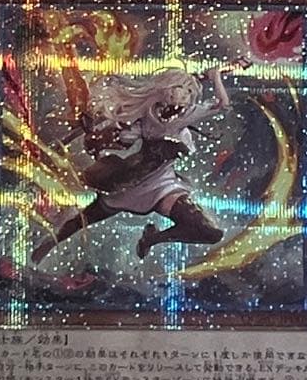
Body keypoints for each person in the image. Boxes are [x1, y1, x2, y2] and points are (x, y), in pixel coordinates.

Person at [32, 67, 231, 263]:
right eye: (181, 91)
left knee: (210, 232)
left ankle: (151, 239)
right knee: (85, 218)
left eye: (188, 93)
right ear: (165, 92)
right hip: (131, 182)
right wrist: (103, 138)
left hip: (162, 185)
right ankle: (48, 244)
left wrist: (215, 77)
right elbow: (123, 140)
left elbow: (223, 104)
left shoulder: (185, 114)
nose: (184, 98)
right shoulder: (148, 114)